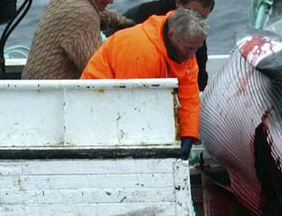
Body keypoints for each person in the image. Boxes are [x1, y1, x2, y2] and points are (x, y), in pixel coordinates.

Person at [81, 8, 207, 159]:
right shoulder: (142, 51)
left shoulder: (185, 48)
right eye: (189, 49)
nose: (192, 55)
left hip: (129, 111)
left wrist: (188, 135)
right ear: (172, 35)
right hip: (97, 108)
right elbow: (134, 106)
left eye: (196, 49)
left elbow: (189, 97)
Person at [22, 0, 135, 80]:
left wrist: (127, 23)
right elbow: (98, 70)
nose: (111, 0)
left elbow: (100, 14)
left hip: (34, 89)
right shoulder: (81, 13)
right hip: (49, 95)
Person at [121, 0, 214, 91]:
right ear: (178, 3)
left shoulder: (193, 29)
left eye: (202, 18)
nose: (196, 20)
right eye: (193, 13)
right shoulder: (146, 16)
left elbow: (200, 73)